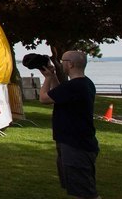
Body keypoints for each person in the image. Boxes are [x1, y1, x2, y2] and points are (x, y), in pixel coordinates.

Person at [39, 51, 100, 199]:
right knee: (79, 189)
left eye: (62, 60)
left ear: (70, 64)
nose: (60, 63)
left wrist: (47, 78)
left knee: (85, 192)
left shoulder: (75, 86)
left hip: (76, 146)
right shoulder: (84, 83)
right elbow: (59, 93)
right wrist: (53, 76)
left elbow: (44, 98)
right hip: (76, 143)